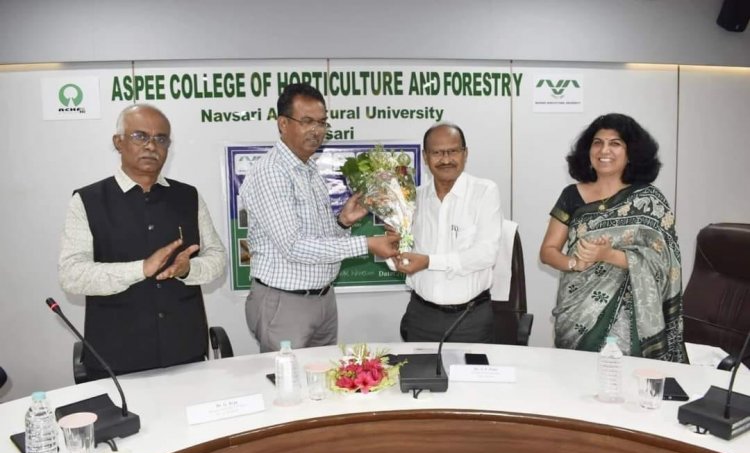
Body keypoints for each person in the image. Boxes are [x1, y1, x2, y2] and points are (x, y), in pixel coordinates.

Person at [58, 103, 227, 380]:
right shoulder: (88, 201)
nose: (151, 146)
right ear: (118, 142)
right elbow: (71, 275)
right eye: (140, 136)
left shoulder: (189, 197)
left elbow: (217, 257)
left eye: (160, 139)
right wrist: (141, 269)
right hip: (117, 358)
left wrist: (188, 270)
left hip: (185, 352)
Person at [239, 83, 399, 353]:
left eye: (322, 122)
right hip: (285, 304)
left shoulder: (309, 168)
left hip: (323, 299)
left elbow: (317, 240)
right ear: (283, 124)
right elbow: (294, 246)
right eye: (307, 121)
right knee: (287, 387)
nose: (317, 130)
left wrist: (343, 222)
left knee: (320, 384)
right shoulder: (272, 172)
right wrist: (367, 244)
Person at [539, 113, 687, 362]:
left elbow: (665, 261)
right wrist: (575, 263)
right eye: (597, 142)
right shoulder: (571, 195)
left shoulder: (649, 200)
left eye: (615, 143)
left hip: (635, 318)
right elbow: (548, 250)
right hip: (578, 312)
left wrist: (609, 255)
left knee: (624, 386)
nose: (604, 150)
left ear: (632, 153)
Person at [396, 123, 503, 343]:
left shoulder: (485, 192)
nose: (446, 159)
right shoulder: (413, 198)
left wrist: (428, 261)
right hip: (421, 316)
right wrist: (394, 252)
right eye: (437, 152)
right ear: (425, 157)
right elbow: (404, 253)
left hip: (470, 319)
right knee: (420, 377)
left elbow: (485, 254)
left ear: (465, 153)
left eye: (453, 151)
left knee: (470, 378)